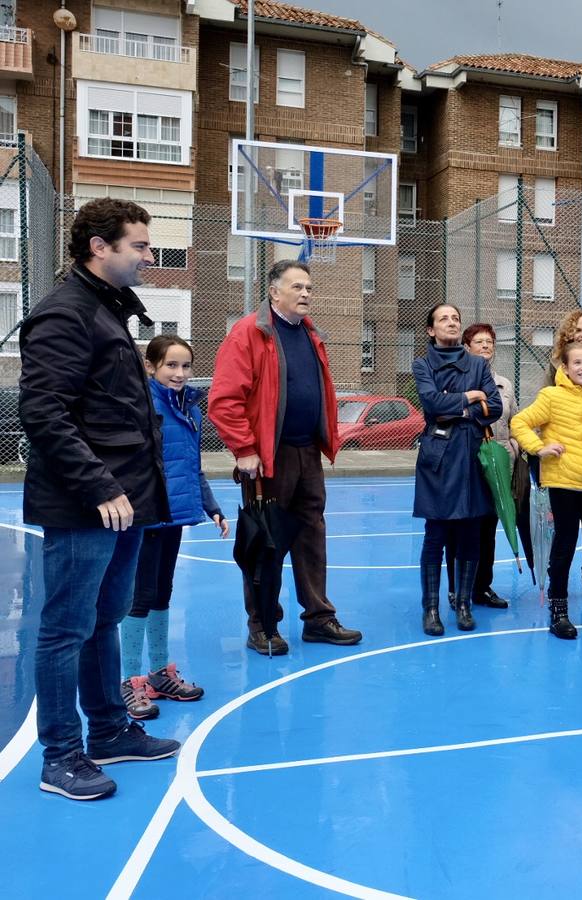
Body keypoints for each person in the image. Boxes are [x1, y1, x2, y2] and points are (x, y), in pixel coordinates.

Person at [20, 197, 180, 800]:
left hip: (127, 503)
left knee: (104, 621)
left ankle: (110, 730)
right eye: (138, 245)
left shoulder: (109, 311)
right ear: (99, 247)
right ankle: (61, 756)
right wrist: (100, 486)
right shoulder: (64, 314)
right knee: (65, 628)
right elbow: (43, 411)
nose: (147, 255)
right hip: (87, 505)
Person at [210, 260, 363, 653]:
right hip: (267, 458)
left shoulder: (311, 335)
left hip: (307, 451)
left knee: (312, 536)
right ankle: (262, 624)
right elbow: (225, 400)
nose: (306, 294)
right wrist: (245, 450)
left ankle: (318, 618)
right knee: (266, 542)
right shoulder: (249, 333)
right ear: (274, 292)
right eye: (297, 287)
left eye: (309, 287)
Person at [120, 336, 228, 722]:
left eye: (185, 366)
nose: (180, 373)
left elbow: (192, 466)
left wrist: (211, 506)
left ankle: (159, 672)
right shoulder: (143, 406)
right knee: (140, 595)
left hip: (176, 515)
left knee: (163, 592)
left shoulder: (191, 411)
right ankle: (130, 679)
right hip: (146, 515)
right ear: (151, 367)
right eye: (171, 366)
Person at [511, 341, 582, 639]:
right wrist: (539, 448)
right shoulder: (550, 397)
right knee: (563, 547)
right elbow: (520, 422)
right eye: (577, 363)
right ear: (564, 367)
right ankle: (559, 612)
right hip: (564, 484)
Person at [412, 303, 502, 634]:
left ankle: (464, 604)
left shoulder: (477, 364)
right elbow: (431, 403)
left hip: (471, 457)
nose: (451, 322)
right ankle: (431, 609)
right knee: (435, 535)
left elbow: (493, 407)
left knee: (469, 534)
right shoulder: (421, 364)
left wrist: (459, 408)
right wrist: (469, 397)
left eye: (455, 318)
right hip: (438, 458)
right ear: (430, 330)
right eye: (443, 319)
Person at [445, 323, 518, 612]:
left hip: (499, 461)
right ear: (466, 347)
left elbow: (514, 421)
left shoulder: (505, 385)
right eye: (479, 341)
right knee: (461, 527)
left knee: (489, 526)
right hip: (467, 460)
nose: (486, 346)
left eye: (490, 341)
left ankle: (481, 586)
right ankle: (456, 588)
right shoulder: (459, 380)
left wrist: (515, 448)